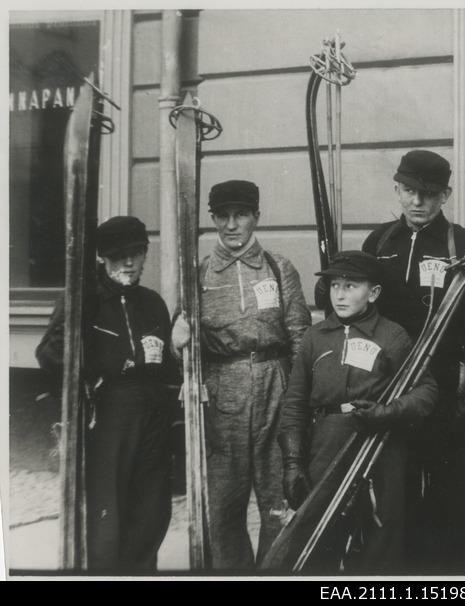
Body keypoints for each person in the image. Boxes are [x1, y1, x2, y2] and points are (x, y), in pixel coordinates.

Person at [360, 150, 465, 572]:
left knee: (449, 494)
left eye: (429, 194)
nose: (418, 202)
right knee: (396, 490)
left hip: (445, 389)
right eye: (410, 191)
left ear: (445, 195)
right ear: (397, 189)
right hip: (390, 388)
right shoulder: (379, 242)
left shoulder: (462, 244)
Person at [172, 179, 311, 570]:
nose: (232, 225)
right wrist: (176, 338)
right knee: (223, 503)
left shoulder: (278, 267)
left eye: (242, 215)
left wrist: (301, 399)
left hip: (275, 385)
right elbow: (183, 343)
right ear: (214, 219)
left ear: (256, 218)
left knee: (279, 496)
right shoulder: (198, 274)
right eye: (223, 216)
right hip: (222, 393)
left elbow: (300, 336)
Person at [278, 250, 438, 572]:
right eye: (335, 285)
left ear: (374, 293)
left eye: (351, 286)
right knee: (321, 535)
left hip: (379, 446)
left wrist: (389, 411)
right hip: (327, 445)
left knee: (381, 536)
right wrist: (293, 462)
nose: (340, 293)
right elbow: (294, 403)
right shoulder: (314, 337)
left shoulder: (392, 336)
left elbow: (427, 391)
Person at [36, 216, 177, 571]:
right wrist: (89, 360)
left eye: (135, 253)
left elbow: (168, 368)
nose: (128, 263)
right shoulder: (84, 301)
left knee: (151, 512)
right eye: (119, 256)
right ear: (102, 257)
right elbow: (49, 354)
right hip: (107, 418)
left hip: (152, 418)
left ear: (145, 254)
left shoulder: (152, 303)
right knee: (106, 520)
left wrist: (177, 348)